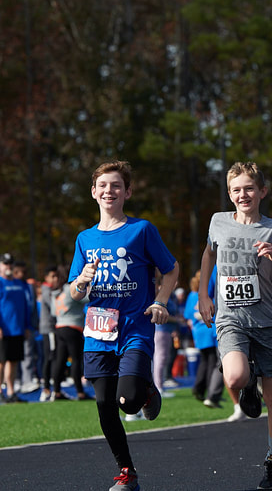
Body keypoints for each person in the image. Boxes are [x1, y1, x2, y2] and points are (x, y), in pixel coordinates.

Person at [69, 160, 179, 491]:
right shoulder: (84, 238)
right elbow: (74, 292)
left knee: (127, 401)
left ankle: (145, 391)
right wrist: (82, 281)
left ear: (127, 192)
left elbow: (171, 269)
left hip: (134, 327)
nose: (109, 191)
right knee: (104, 404)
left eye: (116, 185)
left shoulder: (142, 230)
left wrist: (160, 301)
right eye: (103, 185)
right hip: (98, 332)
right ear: (93, 192)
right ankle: (127, 472)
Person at [198, 162, 272, 490]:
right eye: (236, 190)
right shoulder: (218, 222)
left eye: (249, 189)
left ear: (262, 192)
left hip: (267, 321)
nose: (243, 194)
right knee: (235, 376)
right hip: (231, 318)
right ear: (229, 194)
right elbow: (208, 254)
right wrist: (203, 293)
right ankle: (248, 379)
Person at [0, 253, 34, 404]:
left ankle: (11, 391)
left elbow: (25, 307)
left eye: (10, 264)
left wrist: (26, 326)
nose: (8, 266)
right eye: (5, 264)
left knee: (13, 362)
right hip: (2, 330)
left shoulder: (19, 284)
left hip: (17, 329)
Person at [185, 269, 225, 409]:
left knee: (205, 361)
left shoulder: (192, 295)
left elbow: (188, 315)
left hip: (199, 332)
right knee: (212, 362)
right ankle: (209, 391)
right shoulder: (207, 295)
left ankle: (199, 389)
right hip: (209, 330)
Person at [53, 265, 92, 401]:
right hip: (73, 327)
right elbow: (88, 298)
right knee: (76, 360)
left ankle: (56, 391)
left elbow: (53, 311)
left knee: (60, 360)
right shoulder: (71, 289)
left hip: (59, 326)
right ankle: (80, 392)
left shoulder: (57, 292)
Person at [14, 260, 40, 394]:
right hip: (13, 326)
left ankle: (27, 380)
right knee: (14, 356)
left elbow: (33, 306)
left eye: (24, 272)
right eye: (19, 272)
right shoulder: (12, 286)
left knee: (28, 354)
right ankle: (15, 381)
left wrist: (33, 324)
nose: (22, 274)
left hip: (27, 325)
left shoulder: (29, 287)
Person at [38, 266, 59, 402]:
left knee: (52, 357)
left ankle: (51, 388)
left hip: (51, 328)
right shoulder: (47, 292)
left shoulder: (49, 291)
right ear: (46, 278)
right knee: (50, 357)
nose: (55, 279)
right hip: (49, 328)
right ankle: (46, 388)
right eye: (53, 276)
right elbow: (54, 308)